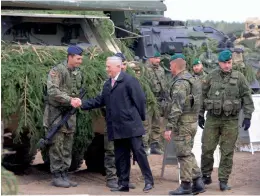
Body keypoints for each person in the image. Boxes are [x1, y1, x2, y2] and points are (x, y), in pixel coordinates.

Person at [80, 56, 154, 193]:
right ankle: (123, 183)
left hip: (131, 126)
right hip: (116, 127)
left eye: (109, 66)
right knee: (121, 156)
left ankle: (148, 180)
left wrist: (139, 119)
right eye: (106, 66)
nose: (107, 69)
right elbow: (100, 100)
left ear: (118, 67)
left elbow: (140, 100)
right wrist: (82, 104)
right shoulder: (108, 84)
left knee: (139, 153)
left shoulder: (129, 81)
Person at [199, 49, 255, 191]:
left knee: (227, 151)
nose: (227, 66)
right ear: (219, 63)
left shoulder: (239, 77)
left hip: (231, 120)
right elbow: (202, 95)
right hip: (213, 119)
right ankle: (206, 174)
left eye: (229, 63)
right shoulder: (211, 77)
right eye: (224, 63)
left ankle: (223, 180)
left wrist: (248, 116)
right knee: (207, 148)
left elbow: (247, 97)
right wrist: (200, 114)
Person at [43, 45, 84, 188]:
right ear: (70, 56)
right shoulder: (57, 70)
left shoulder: (78, 72)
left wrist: (77, 100)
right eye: (78, 58)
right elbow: (53, 91)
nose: (80, 61)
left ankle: (65, 174)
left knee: (67, 146)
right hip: (56, 115)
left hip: (70, 115)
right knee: (57, 145)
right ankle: (57, 175)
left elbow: (77, 90)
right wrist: (69, 100)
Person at [164, 54, 205, 195]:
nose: (169, 68)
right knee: (187, 152)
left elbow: (177, 107)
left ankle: (186, 185)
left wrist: (169, 127)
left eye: (170, 65)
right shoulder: (193, 79)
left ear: (175, 65)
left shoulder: (181, 82)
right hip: (192, 122)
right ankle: (198, 181)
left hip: (183, 124)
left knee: (183, 155)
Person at [103, 52, 135, 189]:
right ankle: (111, 177)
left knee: (125, 152)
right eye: (121, 64)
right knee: (111, 151)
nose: (123, 66)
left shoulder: (129, 80)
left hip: (126, 123)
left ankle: (124, 178)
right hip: (112, 121)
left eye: (125, 64)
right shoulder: (109, 81)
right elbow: (103, 100)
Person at [144, 51, 166, 155]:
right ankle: (144, 146)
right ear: (150, 58)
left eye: (159, 58)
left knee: (157, 123)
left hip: (158, 99)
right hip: (148, 100)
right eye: (156, 58)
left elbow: (164, 83)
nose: (158, 60)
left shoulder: (161, 70)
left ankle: (154, 145)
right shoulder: (144, 69)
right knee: (146, 123)